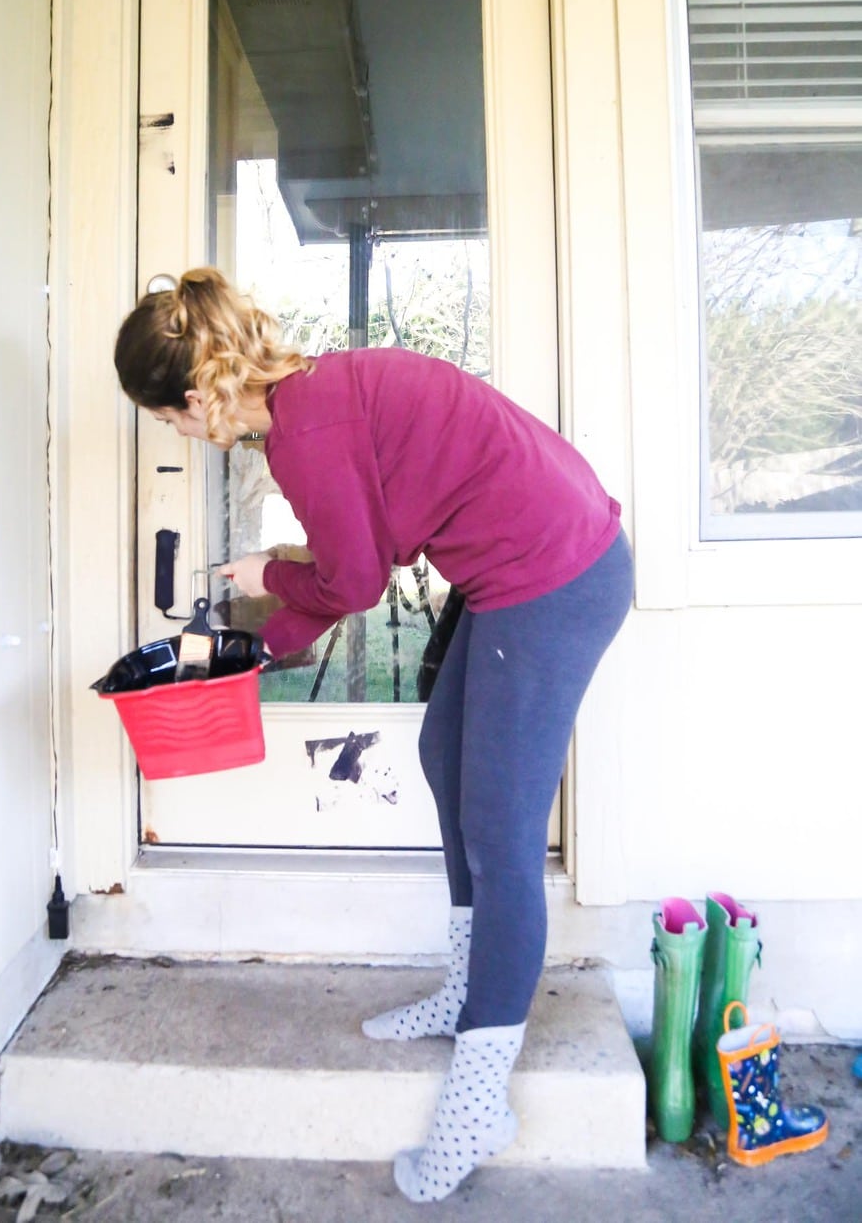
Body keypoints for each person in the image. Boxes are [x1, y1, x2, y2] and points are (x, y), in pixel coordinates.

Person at [115, 264, 633, 1203]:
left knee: (503, 829)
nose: (181, 438)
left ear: (197, 398)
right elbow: (367, 534)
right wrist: (275, 563)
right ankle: (467, 992)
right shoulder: (316, 397)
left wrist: (245, 644)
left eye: (170, 422)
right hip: (526, 564)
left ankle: (481, 1100)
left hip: (553, 577)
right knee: (447, 758)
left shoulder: (304, 437)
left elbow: (354, 585)